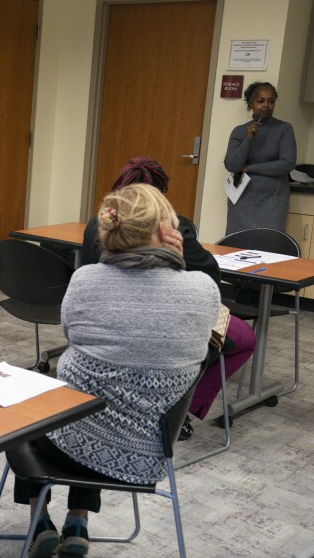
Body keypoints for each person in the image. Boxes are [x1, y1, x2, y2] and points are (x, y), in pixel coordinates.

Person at [16, 184, 219, 558]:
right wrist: (177, 263)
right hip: (151, 452)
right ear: (165, 230)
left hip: (70, 448)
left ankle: (39, 519)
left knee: (25, 411)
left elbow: (71, 332)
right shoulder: (203, 289)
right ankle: (77, 521)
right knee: (97, 403)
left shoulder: (85, 281)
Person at [81, 158, 256, 436]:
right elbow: (209, 285)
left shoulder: (95, 226)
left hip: (105, 333)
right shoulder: (173, 229)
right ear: (160, 195)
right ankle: (180, 408)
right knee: (244, 337)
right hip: (160, 336)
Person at [224, 81, 297, 235]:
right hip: (242, 200)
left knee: (269, 245)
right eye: (261, 101)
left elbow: (287, 164)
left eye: (271, 101)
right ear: (251, 103)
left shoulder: (284, 129)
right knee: (237, 246)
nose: (266, 105)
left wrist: (250, 168)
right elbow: (231, 165)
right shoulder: (239, 131)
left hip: (273, 200)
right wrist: (248, 139)